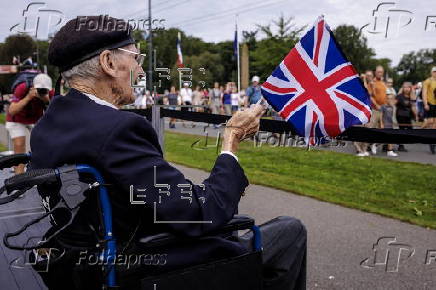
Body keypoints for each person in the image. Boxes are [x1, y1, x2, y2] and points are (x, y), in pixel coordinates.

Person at [30, 16, 307, 289]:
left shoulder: (47, 125)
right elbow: (199, 214)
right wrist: (230, 142)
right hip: (146, 264)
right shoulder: (118, 129)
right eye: (135, 58)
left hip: (79, 262)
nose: (140, 71)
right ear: (109, 63)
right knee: (289, 231)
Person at [6, 72, 53, 174]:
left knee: (41, 143)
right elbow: (12, 110)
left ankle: (38, 173)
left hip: (35, 119)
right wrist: (28, 97)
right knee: (19, 144)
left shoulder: (49, 91)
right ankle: (19, 175)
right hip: (16, 119)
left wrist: (47, 100)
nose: (41, 91)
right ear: (33, 86)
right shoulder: (22, 87)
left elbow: (55, 111)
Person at [368, 66, 387, 155]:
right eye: (379, 72)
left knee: (383, 129)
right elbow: (370, 96)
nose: (380, 73)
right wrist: (376, 104)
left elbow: (385, 95)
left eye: (381, 72)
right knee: (372, 128)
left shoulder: (383, 83)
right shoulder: (372, 83)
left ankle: (374, 144)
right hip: (375, 108)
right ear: (375, 72)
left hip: (384, 108)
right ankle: (369, 145)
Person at [354, 71, 374, 156]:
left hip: (367, 111)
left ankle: (364, 149)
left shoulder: (372, 85)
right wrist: (363, 79)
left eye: (370, 76)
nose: (368, 77)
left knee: (367, 131)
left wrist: (365, 80)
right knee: (357, 131)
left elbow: (369, 93)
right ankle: (359, 150)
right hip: (358, 111)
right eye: (367, 76)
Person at [396, 82, 416, 152]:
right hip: (400, 115)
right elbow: (393, 103)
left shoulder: (412, 96)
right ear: (402, 88)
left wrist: (416, 116)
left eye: (408, 87)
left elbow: (413, 106)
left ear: (410, 88)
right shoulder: (400, 96)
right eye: (405, 87)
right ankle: (400, 146)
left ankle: (398, 143)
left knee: (410, 130)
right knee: (402, 130)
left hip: (408, 116)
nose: (406, 89)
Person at [422, 66, 436, 154]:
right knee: (430, 121)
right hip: (430, 104)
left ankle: (432, 142)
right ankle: (420, 131)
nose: (435, 73)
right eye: (434, 71)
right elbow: (424, 93)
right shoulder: (427, 81)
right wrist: (425, 103)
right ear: (431, 72)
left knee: (435, 123)